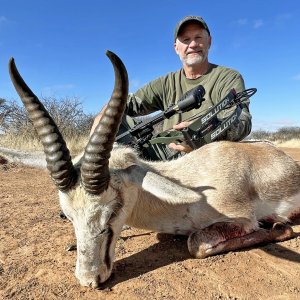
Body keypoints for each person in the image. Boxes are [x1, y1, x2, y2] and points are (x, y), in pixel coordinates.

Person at [91, 15, 252, 160]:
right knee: (117, 118)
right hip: (168, 161)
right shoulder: (166, 82)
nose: (193, 44)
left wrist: (204, 134)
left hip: (209, 158)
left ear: (209, 41)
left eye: (198, 37)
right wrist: (100, 124)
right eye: (186, 39)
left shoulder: (228, 77)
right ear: (176, 47)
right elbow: (129, 103)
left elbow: (242, 120)